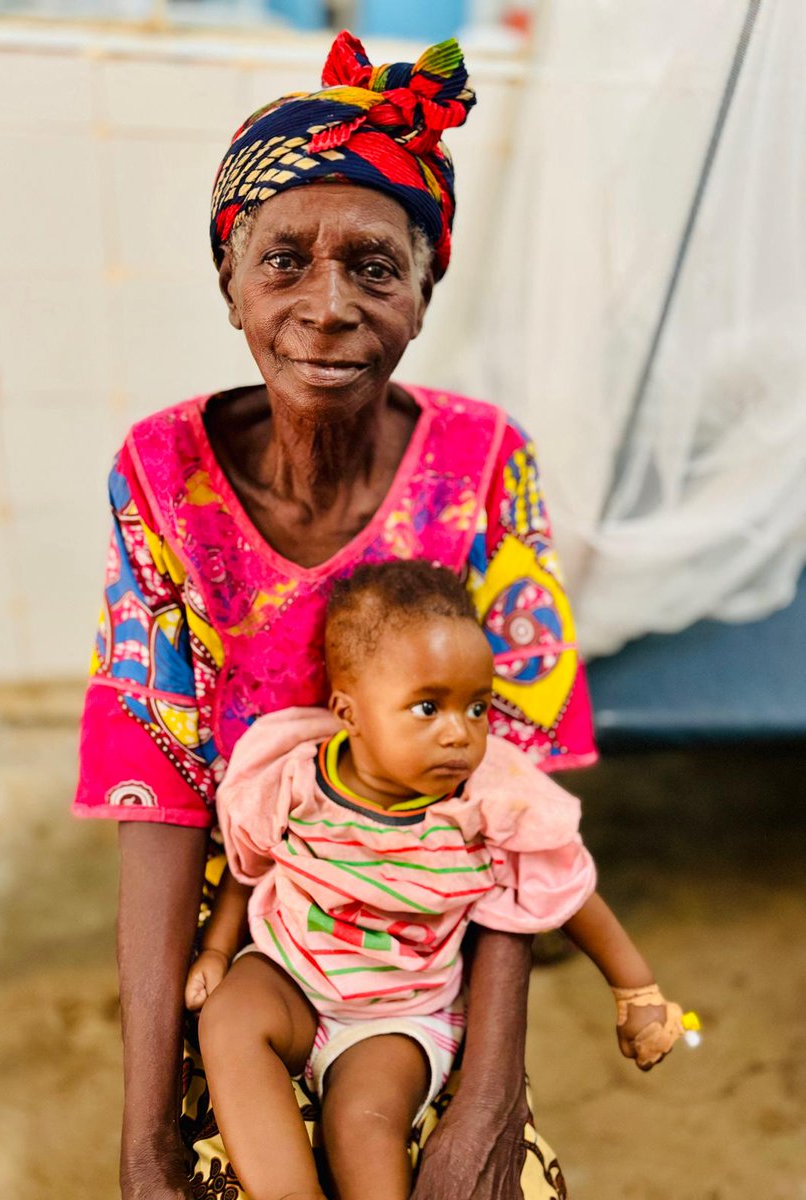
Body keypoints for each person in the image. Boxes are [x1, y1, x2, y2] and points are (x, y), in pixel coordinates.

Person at [74, 30, 598, 1200]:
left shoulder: (483, 466)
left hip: (427, 930)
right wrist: (146, 1128)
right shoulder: (161, 476)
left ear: (423, 295)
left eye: (373, 266)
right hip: (242, 931)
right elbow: (155, 790)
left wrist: (491, 1098)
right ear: (230, 287)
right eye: (284, 262)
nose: (326, 307)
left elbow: (522, 788)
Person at [183, 561, 683, 1200]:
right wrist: (220, 950)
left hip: (397, 1015)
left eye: (477, 707)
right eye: (428, 707)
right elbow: (247, 870)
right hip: (289, 974)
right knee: (227, 1018)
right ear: (349, 712)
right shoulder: (296, 779)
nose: (460, 733)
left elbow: (570, 890)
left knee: (361, 1123)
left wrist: (635, 990)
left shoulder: (484, 806)